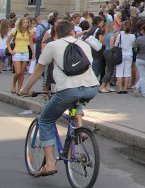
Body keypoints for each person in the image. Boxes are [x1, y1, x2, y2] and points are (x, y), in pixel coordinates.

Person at [19, 20, 99, 177]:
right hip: (91, 88)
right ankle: (79, 127)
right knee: (77, 97)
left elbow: (38, 71)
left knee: (45, 120)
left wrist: (25, 89)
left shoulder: (53, 45)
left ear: (56, 33)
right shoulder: (84, 45)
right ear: (73, 32)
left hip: (68, 90)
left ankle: (49, 164)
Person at [7, 16, 34, 95]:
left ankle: (19, 90)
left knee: (22, 73)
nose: (26, 24)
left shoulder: (29, 32)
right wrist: (10, 50)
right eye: (24, 22)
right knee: (18, 72)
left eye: (27, 22)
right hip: (16, 52)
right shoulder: (15, 31)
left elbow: (31, 43)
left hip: (25, 52)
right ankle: (13, 84)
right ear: (21, 23)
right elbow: (8, 41)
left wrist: (33, 53)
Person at [114, 20, 136, 94]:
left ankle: (120, 89)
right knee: (127, 72)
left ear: (123, 26)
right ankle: (125, 89)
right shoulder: (133, 36)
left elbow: (116, 44)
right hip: (129, 54)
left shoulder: (120, 35)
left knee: (119, 71)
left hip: (121, 54)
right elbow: (133, 45)